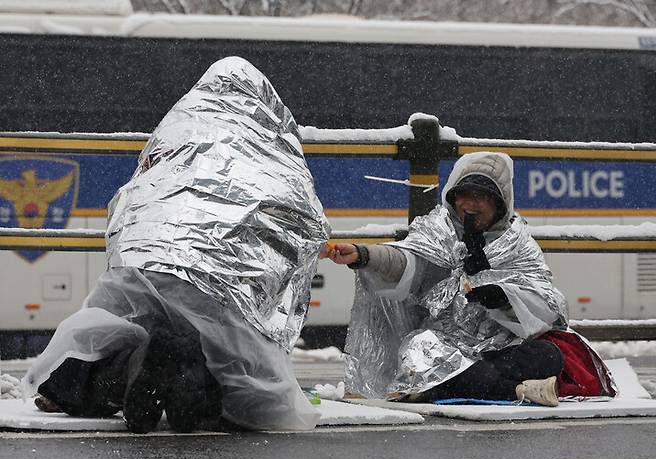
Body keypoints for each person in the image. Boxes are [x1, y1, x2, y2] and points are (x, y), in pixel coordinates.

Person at [22, 56, 330, 433]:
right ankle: (197, 386)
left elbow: (127, 200)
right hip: (220, 288)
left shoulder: (174, 130)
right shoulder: (272, 149)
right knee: (260, 399)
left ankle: (121, 372)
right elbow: (304, 220)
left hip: (140, 266)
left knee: (103, 335)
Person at [323, 151, 616, 405]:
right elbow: (407, 262)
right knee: (418, 352)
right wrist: (363, 255)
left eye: (482, 196)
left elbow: (550, 305)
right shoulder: (437, 231)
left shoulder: (517, 243)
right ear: (453, 196)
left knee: (550, 355)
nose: (471, 204)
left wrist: (503, 298)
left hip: (502, 347)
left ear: (500, 203)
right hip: (444, 343)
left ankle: (453, 384)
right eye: (465, 195)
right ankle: (515, 391)